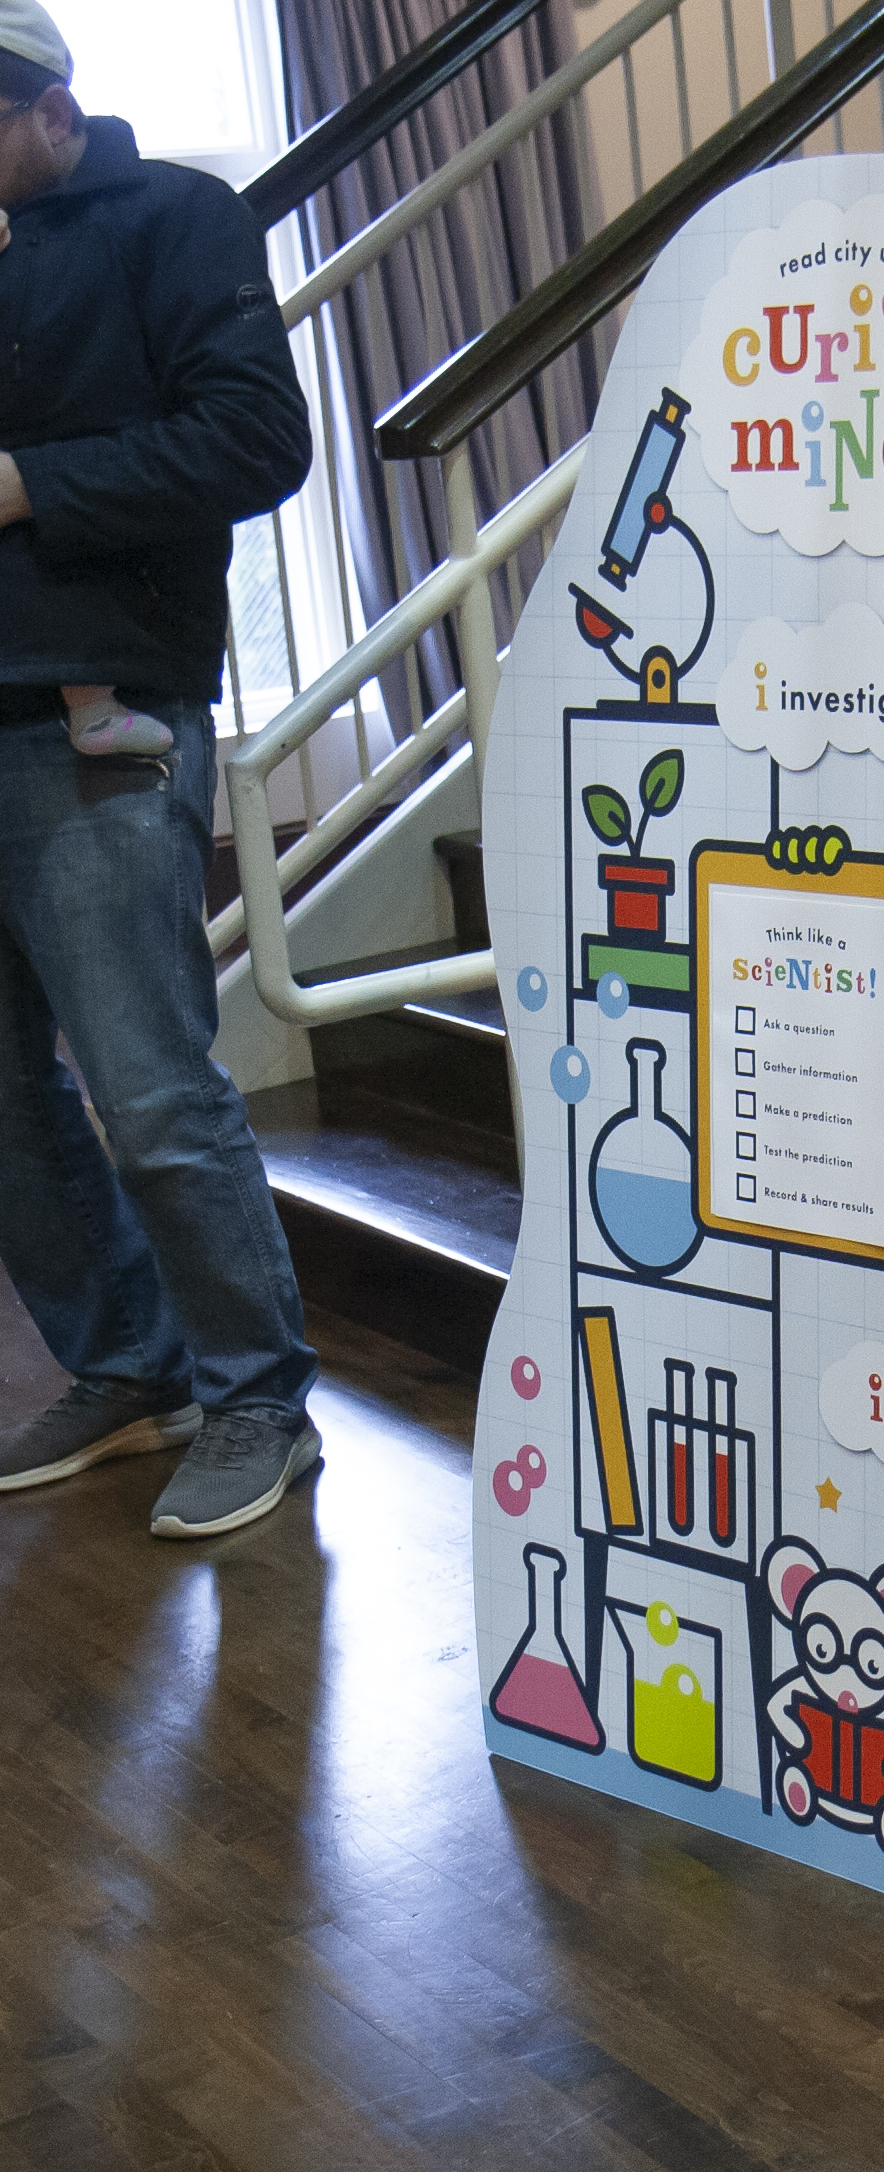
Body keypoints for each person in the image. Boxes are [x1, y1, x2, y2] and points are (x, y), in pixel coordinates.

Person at [0, 2, 323, 1537]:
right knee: (8, 1101)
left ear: (51, 108)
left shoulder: (177, 220)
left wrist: (24, 483)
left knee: (148, 1084)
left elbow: (258, 442)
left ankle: (258, 1395)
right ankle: (129, 1365)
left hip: (99, 705)